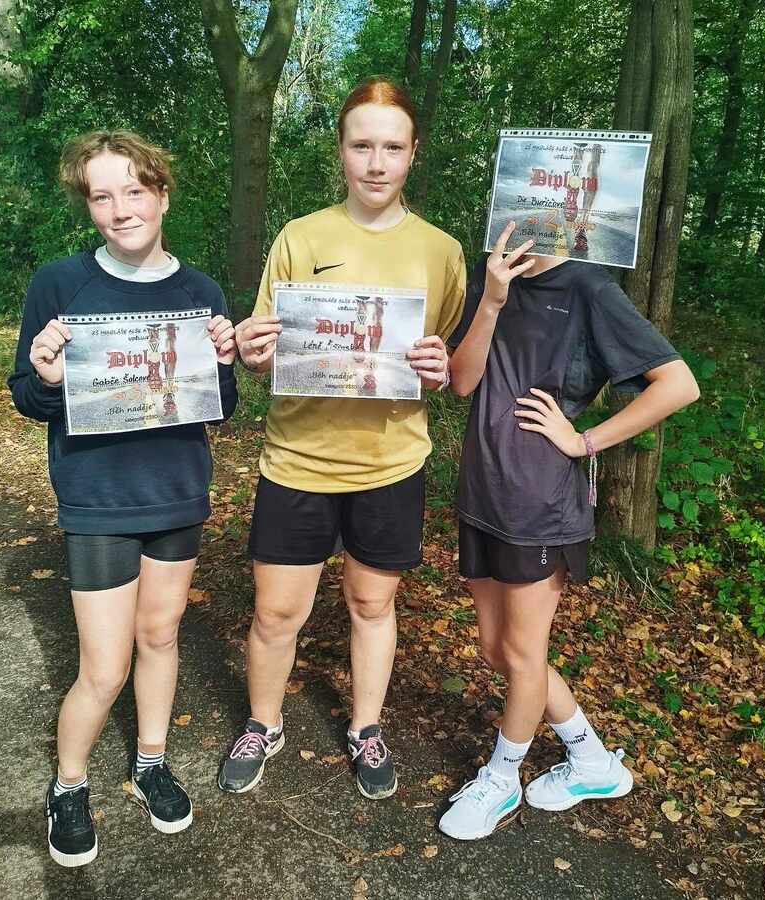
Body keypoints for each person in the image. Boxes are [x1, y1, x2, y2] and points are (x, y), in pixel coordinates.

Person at [220, 78, 465, 800]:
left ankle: (366, 728)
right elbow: (266, 352)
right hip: (297, 460)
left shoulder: (442, 251)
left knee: (371, 605)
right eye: (362, 146)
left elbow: (442, 360)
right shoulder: (301, 237)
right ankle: (264, 724)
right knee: (276, 613)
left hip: (390, 463)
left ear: (414, 153)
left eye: (392, 147)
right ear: (341, 151)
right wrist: (254, 351)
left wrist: (440, 367)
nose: (377, 163)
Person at [8, 130, 238, 866]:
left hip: (176, 495)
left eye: (134, 191)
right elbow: (27, 396)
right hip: (98, 499)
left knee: (161, 637)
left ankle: (150, 763)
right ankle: (69, 784)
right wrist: (47, 377)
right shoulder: (59, 283)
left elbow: (220, 407)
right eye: (102, 196)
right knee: (104, 666)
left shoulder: (201, 292)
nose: (120, 209)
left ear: (162, 194)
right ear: (88, 206)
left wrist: (224, 362)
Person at [437, 220, 700, 840]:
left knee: (523, 654)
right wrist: (492, 298)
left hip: (540, 504)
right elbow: (462, 381)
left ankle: (502, 779)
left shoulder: (589, 287)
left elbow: (679, 384)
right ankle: (592, 760)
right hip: (483, 492)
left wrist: (584, 440)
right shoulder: (490, 275)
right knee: (497, 651)